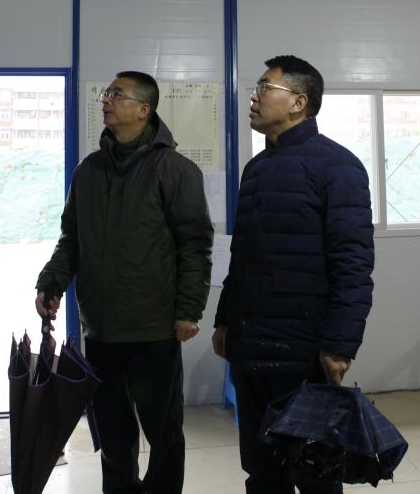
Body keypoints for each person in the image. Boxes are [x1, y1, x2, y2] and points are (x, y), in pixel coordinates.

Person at [34, 70, 213, 494]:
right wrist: (52, 281)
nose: (106, 100)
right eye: (106, 93)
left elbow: (194, 245)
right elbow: (71, 238)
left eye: (117, 94)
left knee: (163, 432)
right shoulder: (89, 171)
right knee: (113, 433)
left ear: (144, 109)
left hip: (154, 330)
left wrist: (189, 310)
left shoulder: (176, 170)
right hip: (101, 330)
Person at [212, 55, 375, 494]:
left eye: (265, 88)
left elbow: (353, 262)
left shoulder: (338, 166)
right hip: (251, 347)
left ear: (299, 102)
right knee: (261, 471)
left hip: (302, 353)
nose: (254, 97)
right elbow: (243, 256)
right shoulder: (256, 168)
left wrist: (340, 343)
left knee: (315, 472)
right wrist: (225, 321)